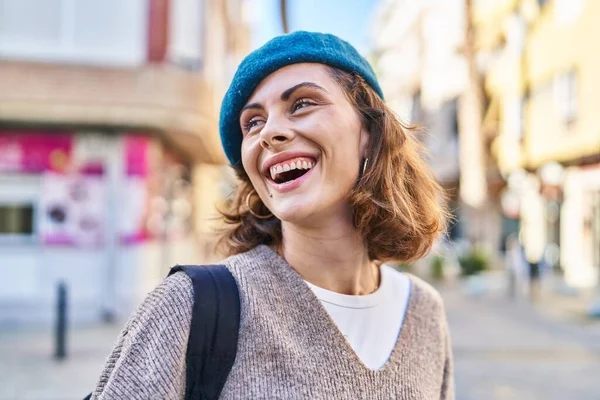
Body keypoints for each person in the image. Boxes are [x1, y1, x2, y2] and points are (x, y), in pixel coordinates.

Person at [91, 31, 454, 399]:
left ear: (370, 132)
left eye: (301, 104)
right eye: (253, 123)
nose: (269, 133)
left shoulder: (424, 312)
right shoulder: (187, 305)